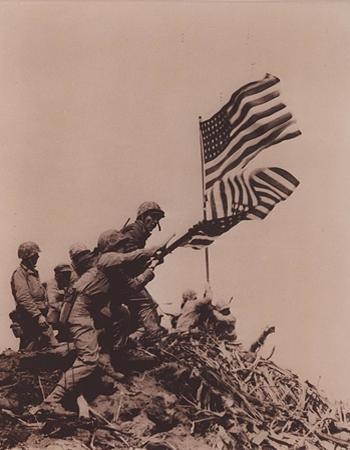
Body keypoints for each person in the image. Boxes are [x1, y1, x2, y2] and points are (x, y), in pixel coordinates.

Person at [43, 242, 159, 413]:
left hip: (88, 309)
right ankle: (52, 400)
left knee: (121, 313)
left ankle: (109, 355)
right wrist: (153, 250)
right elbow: (131, 257)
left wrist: (150, 269)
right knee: (88, 360)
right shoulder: (104, 260)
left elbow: (133, 286)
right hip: (79, 311)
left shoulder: (104, 270)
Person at [119, 202, 165, 337]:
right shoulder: (135, 231)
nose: (155, 222)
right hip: (121, 279)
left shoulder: (140, 232)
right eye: (153, 217)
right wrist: (150, 257)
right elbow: (129, 256)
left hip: (123, 278)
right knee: (147, 305)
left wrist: (152, 260)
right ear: (143, 216)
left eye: (158, 219)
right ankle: (155, 339)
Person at [10, 242, 58, 351]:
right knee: (29, 348)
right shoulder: (20, 274)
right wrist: (38, 316)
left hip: (38, 315)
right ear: (28, 257)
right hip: (29, 317)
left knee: (43, 346)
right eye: (35, 255)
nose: (38, 257)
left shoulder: (32, 273)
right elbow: (23, 297)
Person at [45, 263, 73, 342]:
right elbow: (52, 302)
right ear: (57, 274)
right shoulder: (51, 283)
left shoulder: (67, 284)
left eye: (68, 274)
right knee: (54, 311)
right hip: (47, 312)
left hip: (60, 311)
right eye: (64, 274)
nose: (66, 276)